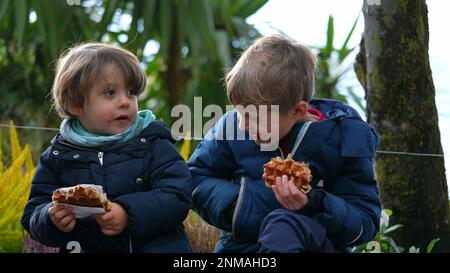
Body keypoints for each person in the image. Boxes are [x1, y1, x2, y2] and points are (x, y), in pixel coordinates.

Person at [188, 35, 381, 253]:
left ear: (298, 111)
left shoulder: (345, 137)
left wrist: (315, 204)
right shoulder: (232, 127)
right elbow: (196, 178)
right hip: (242, 247)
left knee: (283, 226)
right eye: (240, 113)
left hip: (312, 245)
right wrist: (238, 206)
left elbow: (365, 222)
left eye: (256, 117)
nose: (243, 124)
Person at [21, 43, 193, 253]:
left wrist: (127, 213)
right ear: (75, 104)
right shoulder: (58, 155)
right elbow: (32, 213)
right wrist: (51, 218)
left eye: (131, 92)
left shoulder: (153, 143)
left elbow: (177, 196)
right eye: (110, 93)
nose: (125, 102)